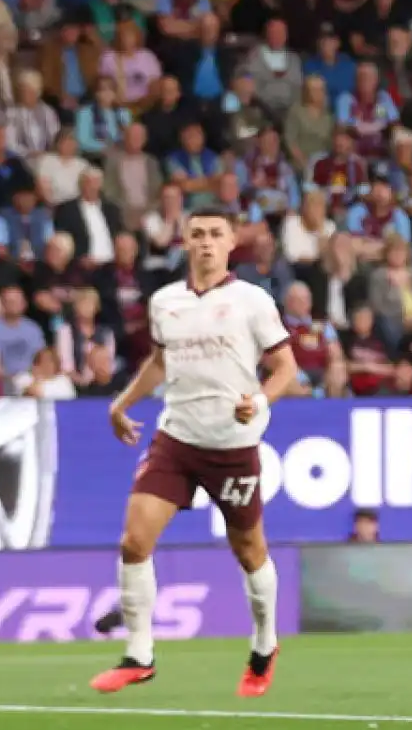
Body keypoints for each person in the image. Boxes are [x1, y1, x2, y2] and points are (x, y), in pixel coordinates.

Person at [92, 207, 302, 699]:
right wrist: (122, 403)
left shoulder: (252, 300)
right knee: (133, 541)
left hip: (231, 445)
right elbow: (161, 362)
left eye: (215, 234)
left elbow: (286, 366)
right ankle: (139, 656)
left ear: (231, 243)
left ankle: (265, 645)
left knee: (250, 552)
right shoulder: (166, 301)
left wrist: (261, 400)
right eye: (197, 235)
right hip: (176, 440)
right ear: (185, 243)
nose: (206, 242)